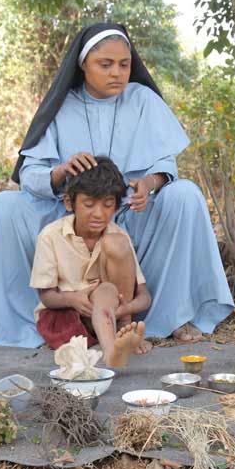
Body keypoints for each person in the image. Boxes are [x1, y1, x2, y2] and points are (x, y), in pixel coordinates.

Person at [0, 22, 234, 348]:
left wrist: (148, 183)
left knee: (185, 195)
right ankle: (25, 323)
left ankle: (169, 314)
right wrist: (60, 172)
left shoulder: (143, 100)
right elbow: (29, 176)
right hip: (69, 216)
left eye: (124, 64)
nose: (117, 73)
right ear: (83, 65)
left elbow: (165, 167)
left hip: (129, 212)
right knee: (6, 205)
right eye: (106, 64)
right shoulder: (61, 105)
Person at [30, 157, 150, 367]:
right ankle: (113, 347)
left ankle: (118, 337)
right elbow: (47, 297)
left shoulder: (117, 234)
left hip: (109, 311)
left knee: (106, 285)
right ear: (69, 203)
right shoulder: (51, 235)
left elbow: (145, 297)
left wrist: (123, 310)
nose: (99, 213)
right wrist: (72, 299)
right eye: (88, 204)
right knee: (102, 292)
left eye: (108, 205)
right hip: (69, 316)